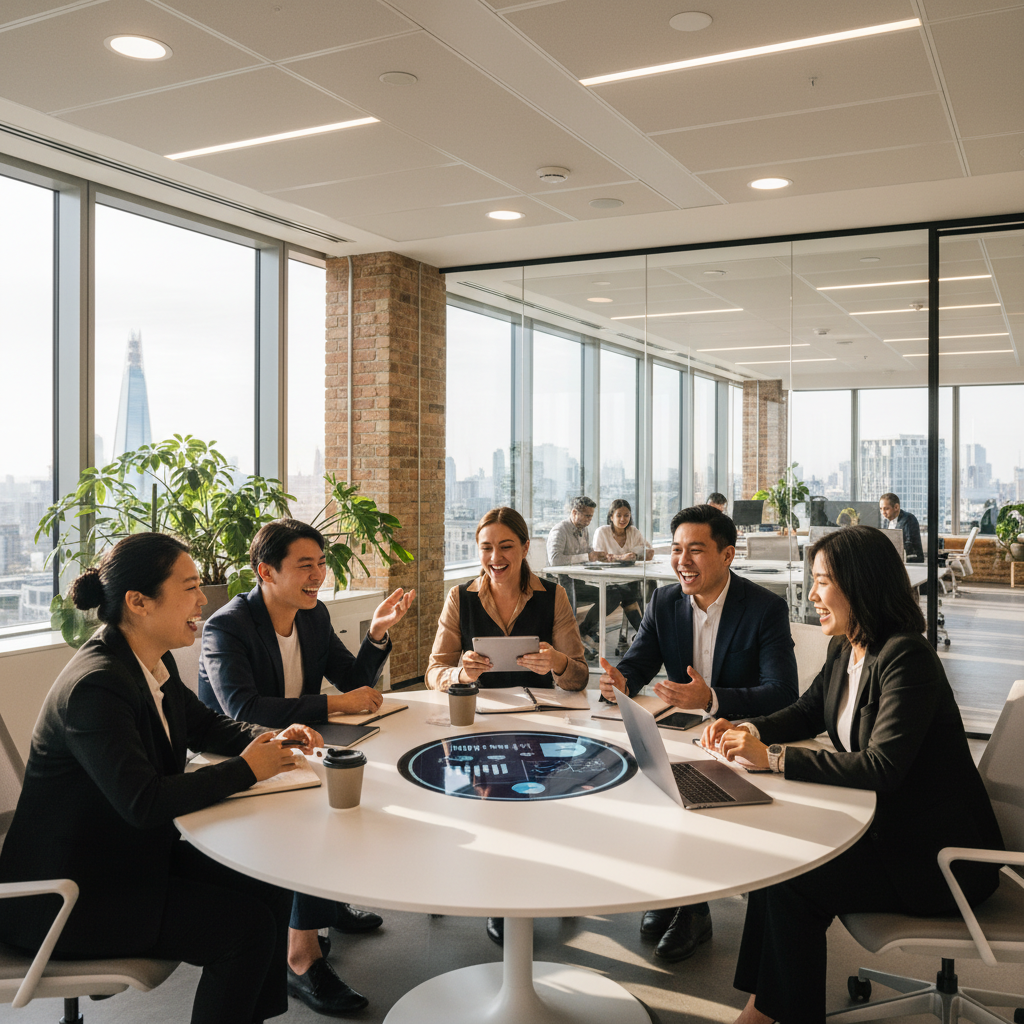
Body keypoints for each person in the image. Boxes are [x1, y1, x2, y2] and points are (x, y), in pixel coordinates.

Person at [0, 533, 320, 1024]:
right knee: (246, 929)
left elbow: (207, 724)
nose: (203, 599)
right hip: (69, 897)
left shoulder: (149, 658)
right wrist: (246, 770)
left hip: (125, 859)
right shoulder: (96, 685)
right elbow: (143, 802)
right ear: (138, 602)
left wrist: (274, 738)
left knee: (267, 876)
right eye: (190, 587)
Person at [702, 525, 1002, 1024]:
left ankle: (774, 1015)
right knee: (779, 861)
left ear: (860, 584)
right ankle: (764, 1007)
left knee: (793, 880)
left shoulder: (906, 656)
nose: (812, 594)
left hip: (939, 859)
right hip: (888, 831)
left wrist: (772, 757)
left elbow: (883, 767)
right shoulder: (847, 647)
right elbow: (806, 712)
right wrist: (744, 727)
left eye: (822, 581)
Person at [199, 518, 415, 1017]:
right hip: (238, 756)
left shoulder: (312, 616)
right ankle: (301, 954)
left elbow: (353, 679)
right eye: (305, 566)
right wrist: (335, 707)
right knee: (319, 809)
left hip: (296, 744)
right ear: (265, 572)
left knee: (349, 787)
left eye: (320, 564)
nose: (318, 574)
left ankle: (325, 902)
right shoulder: (226, 626)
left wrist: (378, 633)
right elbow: (241, 709)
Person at [600, 504, 797, 963]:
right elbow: (638, 663)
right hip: (682, 733)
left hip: (739, 737)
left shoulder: (765, 608)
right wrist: (619, 680)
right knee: (644, 777)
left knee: (682, 786)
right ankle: (674, 895)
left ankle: (693, 908)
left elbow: (784, 692)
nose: (682, 561)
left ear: (728, 555)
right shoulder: (665, 601)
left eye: (695, 550)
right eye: (675, 550)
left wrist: (711, 700)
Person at [427, 506, 588, 947]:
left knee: (537, 803)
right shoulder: (459, 597)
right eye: (486, 548)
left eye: (505, 547)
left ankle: (534, 885)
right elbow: (434, 671)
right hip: (478, 725)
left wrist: (556, 662)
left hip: (540, 724)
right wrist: (460, 673)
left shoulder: (552, 596)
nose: (495, 557)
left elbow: (578, 674)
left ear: (524, 549)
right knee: (489, 801)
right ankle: (501, 898)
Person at [545, 495, 608, 649]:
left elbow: (586, 552)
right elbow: (555, 560)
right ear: (574, 513)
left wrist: (598, 556)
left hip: (578, 580)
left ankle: (584, 629)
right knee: (569, 585)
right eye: (587, 515)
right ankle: (571, 642)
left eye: (591, 516)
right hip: (559, 582)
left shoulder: (583, 530)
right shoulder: (560, 530)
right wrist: (587, 556)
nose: (589, 520)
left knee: (609, 594)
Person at [592, 498, 653, 642]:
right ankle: (644, 634)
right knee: (629, 595)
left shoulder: (633, 531)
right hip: (607, 579)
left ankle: (644, 634)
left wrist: (635, 555)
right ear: (611, 516)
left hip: (628, 579)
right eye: (619, 515)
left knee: (642, 588)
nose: (623, 519)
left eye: (626, 515)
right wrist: (621, 557)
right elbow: (597, 556)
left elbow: (650, 552)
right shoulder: (602, 532)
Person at [879, 491, 923, 562]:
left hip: (910, 561)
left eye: (886, 509)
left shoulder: (909, 519)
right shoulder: (886, 521)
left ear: (896, 507)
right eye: (881, 509)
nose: (883, 512)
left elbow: (909, 544)